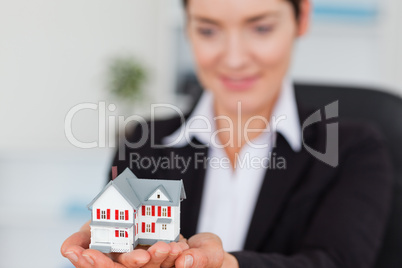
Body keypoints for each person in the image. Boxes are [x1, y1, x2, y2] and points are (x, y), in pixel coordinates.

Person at [61, 0, 393, 267]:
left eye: (261, 27)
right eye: (208, 30)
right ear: (188, 27)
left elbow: (336, 261)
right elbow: (124, 240)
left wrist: (227, 265)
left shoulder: (353, 149)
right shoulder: (143, 142)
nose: (234, 58)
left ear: (301, 16)